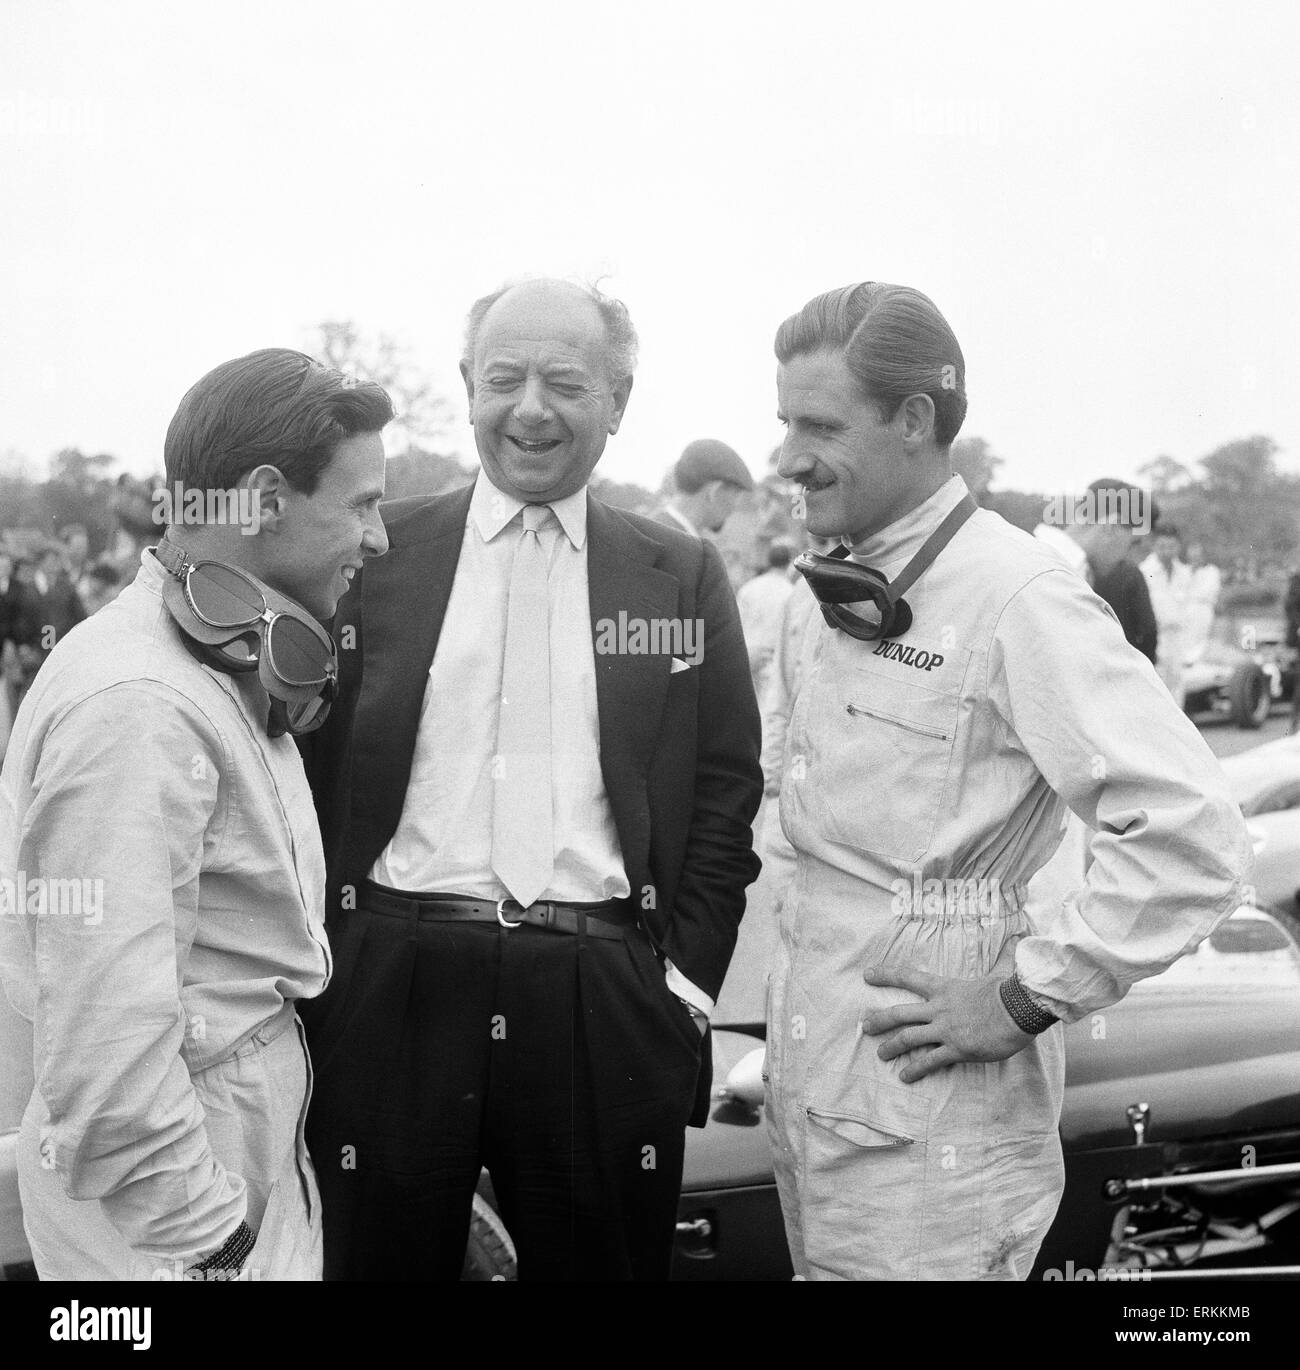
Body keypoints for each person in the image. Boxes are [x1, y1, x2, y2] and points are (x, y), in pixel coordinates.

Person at [764, 280, 1252, 1281]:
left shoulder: (1019, 595)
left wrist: (1025, 993)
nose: (787, 457)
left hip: (935, 1136)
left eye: (818, 424)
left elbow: (1192, 837)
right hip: (819, 1103)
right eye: (783, 423)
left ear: (914, 420)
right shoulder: (822, 592)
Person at [297, 277, 763, 1282]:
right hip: (393, 982)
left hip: (600, 996)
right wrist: (332, 967)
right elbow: (304, 763)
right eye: (503, 378)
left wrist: (677, 988)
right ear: (467, 387)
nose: (531, 408)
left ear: (619, 401)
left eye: (566, 381)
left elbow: (726, 789)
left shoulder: (676, 574)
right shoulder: (377, 553)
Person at [0, 348, 392, 1280]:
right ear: (262, 499)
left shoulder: (193, 668)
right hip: (174, 1232)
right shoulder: (141, 704)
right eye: (361, 503)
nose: (377, 538)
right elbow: (109, 1060)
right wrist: (222, 1255)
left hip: (214, 1175)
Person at [736, 537, 797, 698]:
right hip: (771, 660)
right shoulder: (790, 592)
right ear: (789, 562)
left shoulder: (749, 587)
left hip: (745, 655)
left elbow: (736, 623)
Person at [657, 437, 754, 537]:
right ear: (715, 491)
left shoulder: (651, 531)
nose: (734, 507)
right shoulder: (681, 546)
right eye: (736, 494)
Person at [1141, 523, 1193, 705]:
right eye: (1162, 547)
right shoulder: (1145, 572)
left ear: (1178, 546)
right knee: (1157, 685)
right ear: (1154, 546)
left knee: (1178, 684)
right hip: (1156, 637)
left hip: (1178, 639)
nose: (1166, 552)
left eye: (1171, 547)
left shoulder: (1184, 573)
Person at [1182, 540, 1221, 663]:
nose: (1195, 559)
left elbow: (1208, 593)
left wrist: (1191, 593)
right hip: (1185, 610)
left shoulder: (1212, 571)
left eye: (1197, 556)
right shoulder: (1183, 571)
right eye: (1192, 556)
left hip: (1203, 610)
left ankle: (1195, 661)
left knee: (1200, 639)